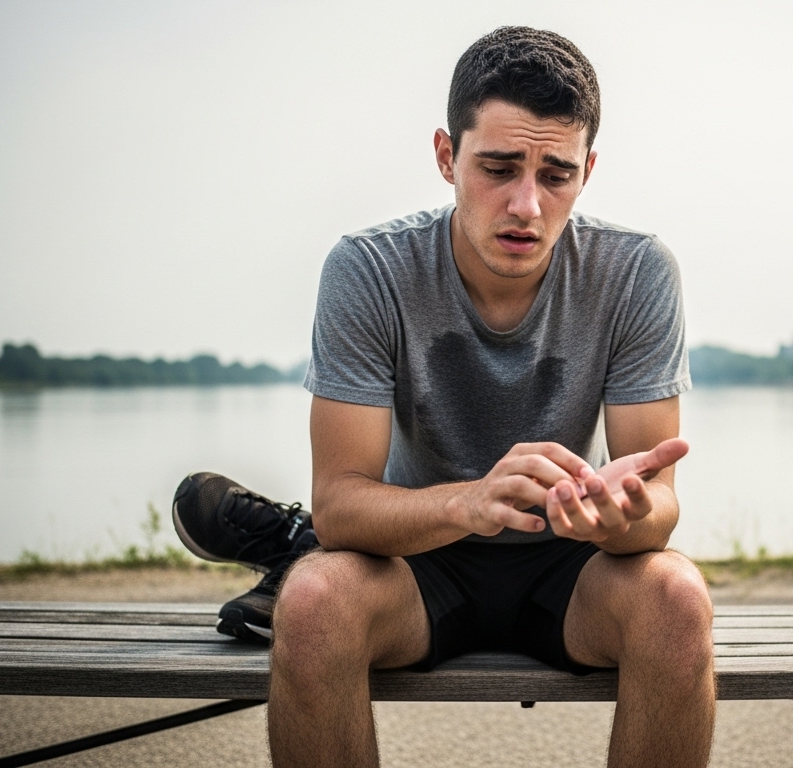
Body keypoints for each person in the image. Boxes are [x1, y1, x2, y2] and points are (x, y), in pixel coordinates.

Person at [171, 26, 714, 767]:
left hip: (572, 564)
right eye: (498, 167)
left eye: (555, 174)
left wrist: (625, 516)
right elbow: (340, 506)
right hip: (419, 560)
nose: (526, 203)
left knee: (677, 599)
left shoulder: (636, 271)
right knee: (312, 599)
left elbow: (659, 512)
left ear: (587, 171)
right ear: (445, 156)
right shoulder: (370, 269)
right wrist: (468, 502)